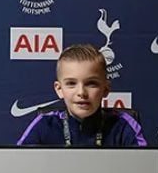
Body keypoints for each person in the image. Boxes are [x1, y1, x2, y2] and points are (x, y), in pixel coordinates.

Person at [16, 43, 147, 147]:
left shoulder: (123, 125)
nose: (81, 93)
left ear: (106, 89)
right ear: (59, 89)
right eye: (71, 83)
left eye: (91, 84)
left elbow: (145, 171)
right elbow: (18, 167)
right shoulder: (44, 124)